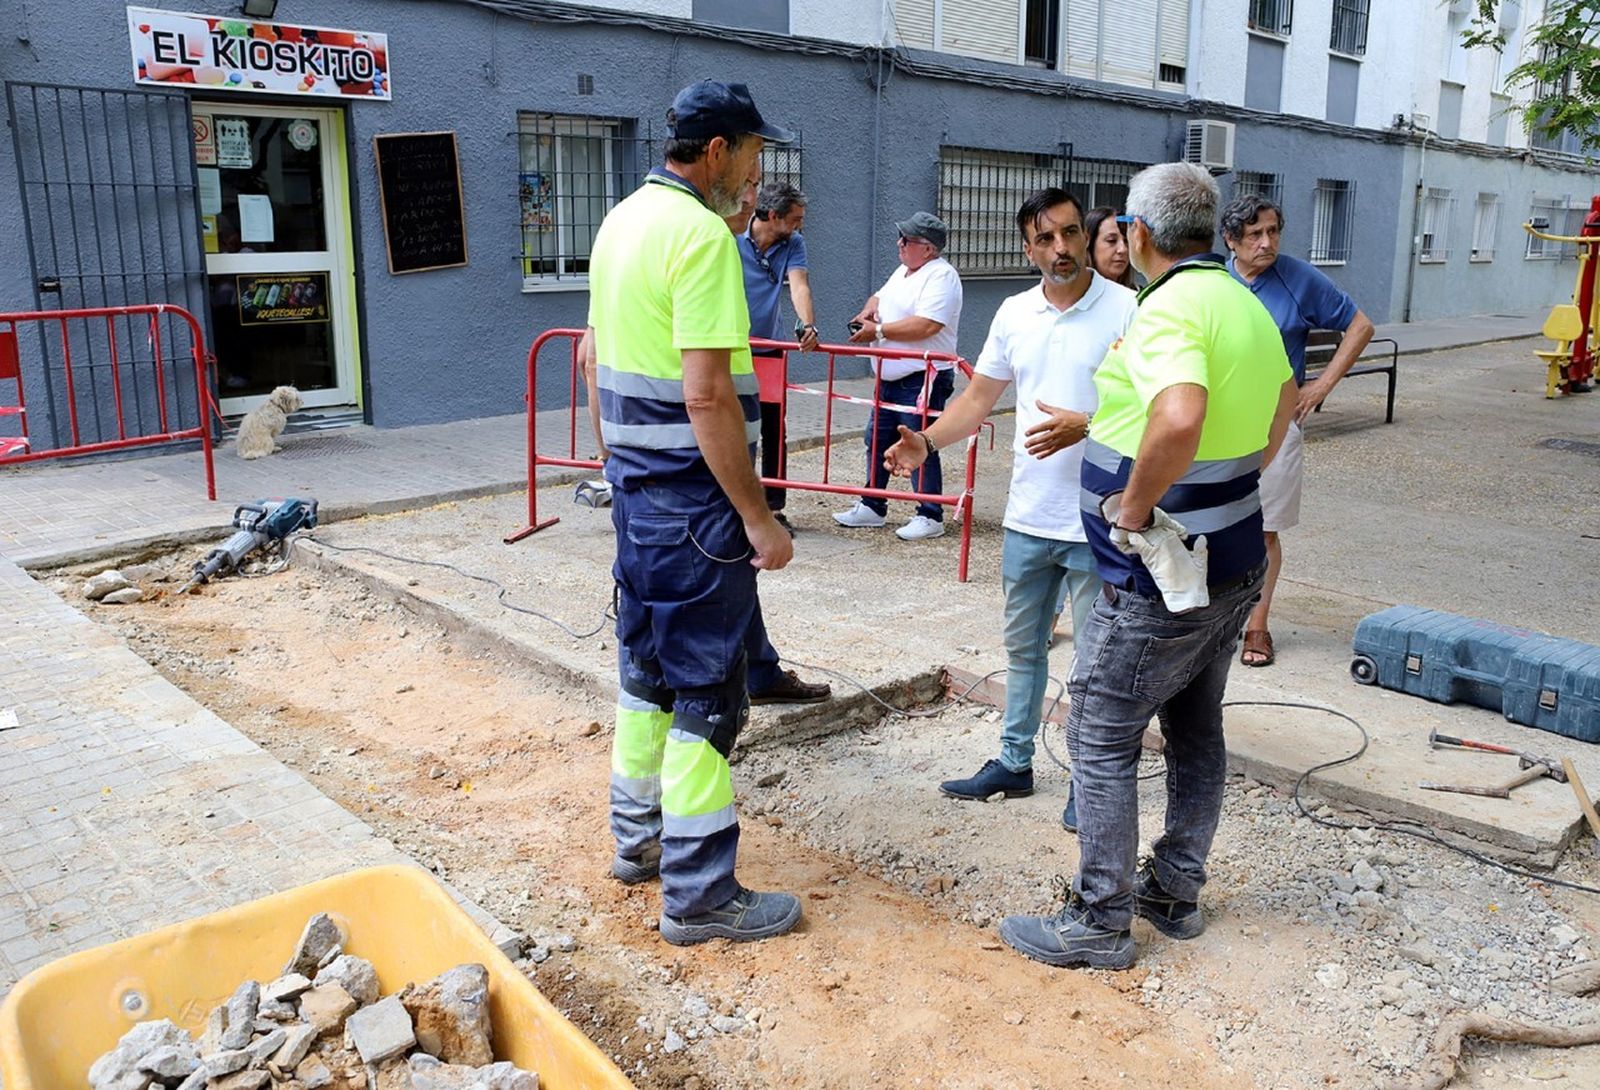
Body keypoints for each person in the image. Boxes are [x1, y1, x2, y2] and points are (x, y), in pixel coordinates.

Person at [998, 163, 1296, 971]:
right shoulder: (1240, 299)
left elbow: (1179, 414)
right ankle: (1175, 889)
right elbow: (1282, 404)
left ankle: (1099, 922)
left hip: (1159, 575)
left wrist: (1133, 509)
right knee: (1196, 725)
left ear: (1139, 233)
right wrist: (1225, 486)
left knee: (1098, 731)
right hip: (1230, 561)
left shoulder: (1170, 308)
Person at [587, 79, 803, 945]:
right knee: (708, 693)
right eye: (753, 154)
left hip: (638, 497)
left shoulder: (621, 222)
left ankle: (636, 842)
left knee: (645, 677)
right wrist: (759, 518)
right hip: (695, 505)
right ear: (717, 150)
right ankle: (701, 895)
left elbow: (593, 357)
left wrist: (620, 469)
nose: (757, 174)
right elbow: (709, 396)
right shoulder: (702, 240)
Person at [881, 189, 1136, 806]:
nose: (1061, 248)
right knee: (1024, 651)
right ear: (1029, 250)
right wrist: (928, 443)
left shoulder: (1129, 309)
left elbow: (1155, 411)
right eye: (1046, 239)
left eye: (1071, 234)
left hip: (1098, 519)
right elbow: (975, 400)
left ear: (1085, 236)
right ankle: (1014, 762)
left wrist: (1090, 425)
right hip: (1029, 518)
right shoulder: (1015, 314)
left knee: (1095, 669)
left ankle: (1089, 783)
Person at [1220, 194, 1375, 668]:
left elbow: (1360, 326)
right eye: (1254, 235)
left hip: (1275, 422)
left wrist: (1319, 387)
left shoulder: (1297, 277)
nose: (1266, 243)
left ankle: (1258, 626)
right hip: (1216, 423)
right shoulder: (1214, 279)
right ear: (1231, 240)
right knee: (1210, 524)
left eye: (1272, 232)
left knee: (1265, 530)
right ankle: (1212, 624)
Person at [833, 212, 964, 541]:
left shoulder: (941, 277)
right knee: (876, 439)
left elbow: (928, 324)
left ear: (929, 249)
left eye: (907, 241)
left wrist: (877, 329)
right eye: (901, 238)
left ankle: (929, 512)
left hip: (922, 376)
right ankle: (872, 504)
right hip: (891, 376)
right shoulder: (905, 271)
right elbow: (880, 296)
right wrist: (869, 311)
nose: (899, 244)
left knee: (919, 442)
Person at [733, 181, 820, 536]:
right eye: (795, 218)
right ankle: (732, 502)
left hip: (770, 347)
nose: (800, 225)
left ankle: (773, 507)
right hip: (732, 347)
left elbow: (798, 284)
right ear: (772, 215)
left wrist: (808, 325)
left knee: (772, 428)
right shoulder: (732, 238)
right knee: (731, 425)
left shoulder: (792, 243)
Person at [1084, 206, 1135, 289]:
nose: (1123, 249)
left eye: (1126, 241)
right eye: (1111, 240)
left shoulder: (1138, 297)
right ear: (1088, 244)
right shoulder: (1068, 298)